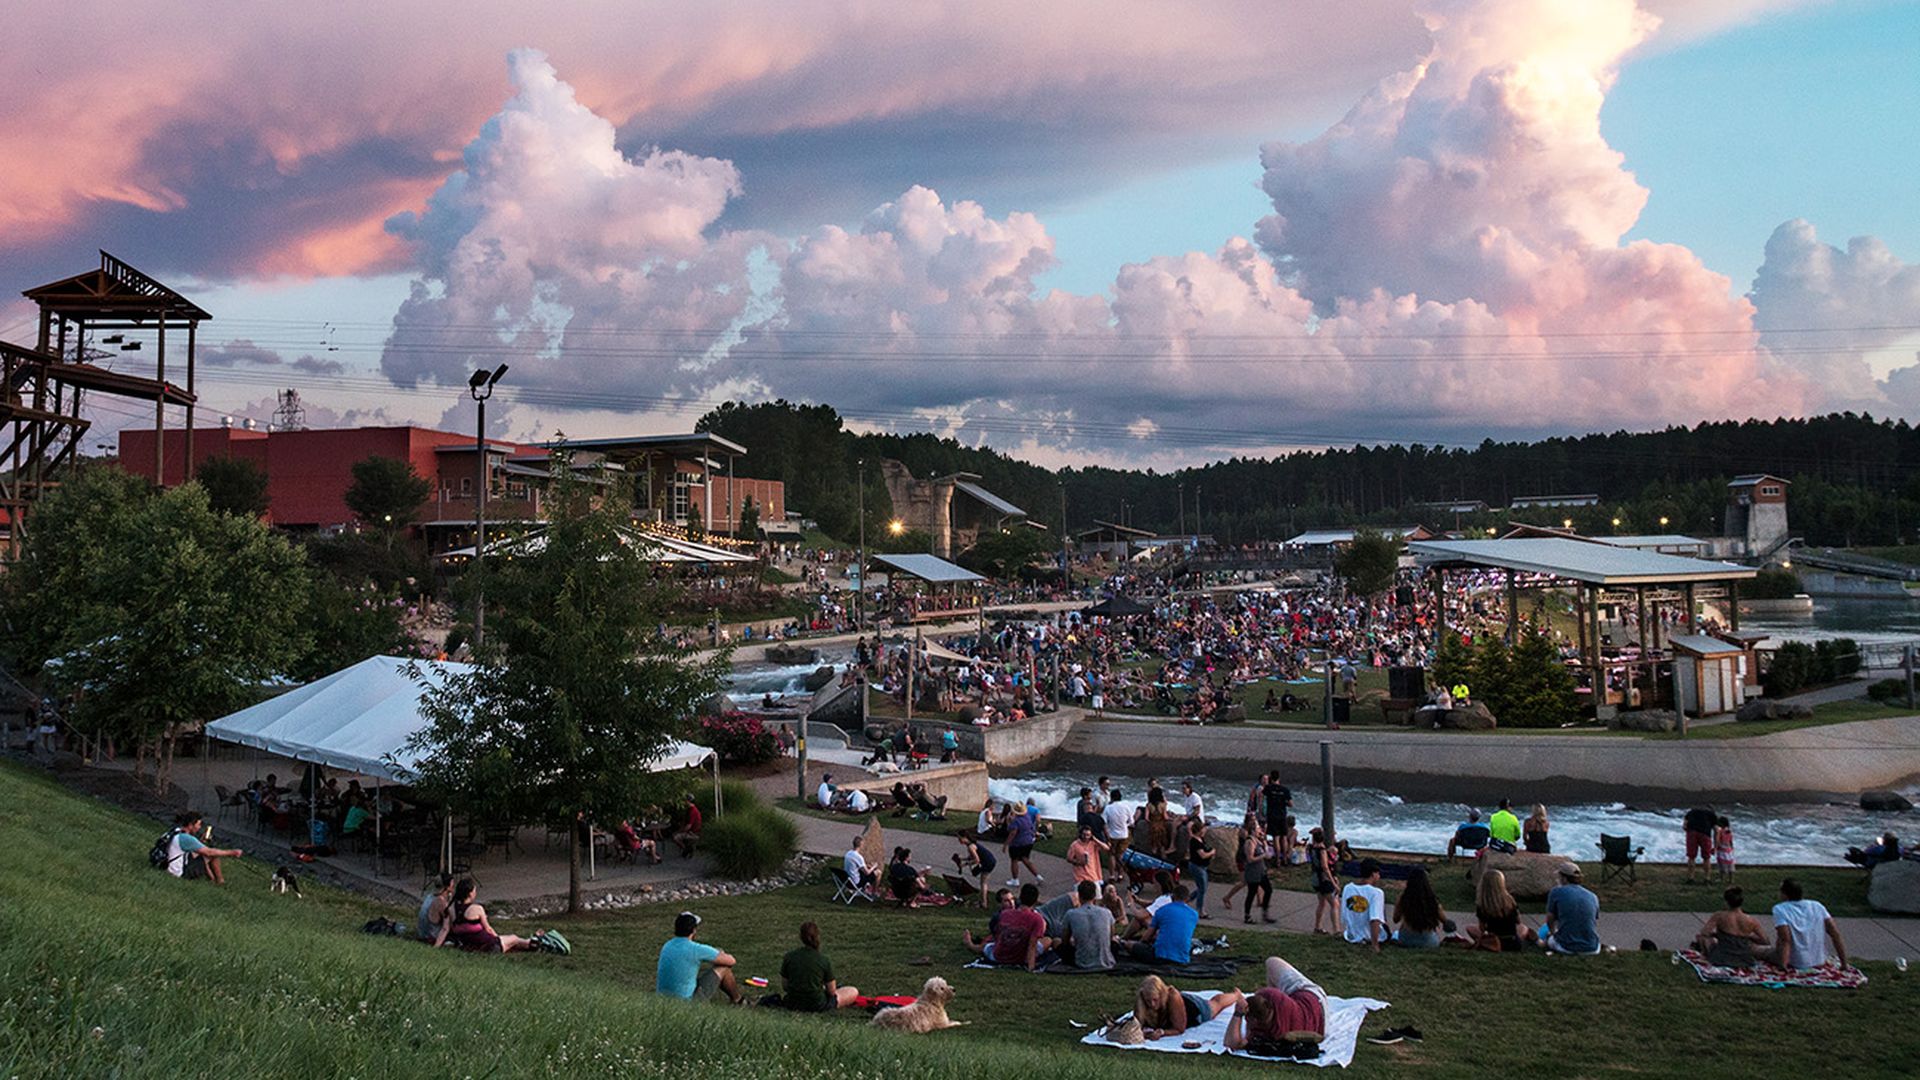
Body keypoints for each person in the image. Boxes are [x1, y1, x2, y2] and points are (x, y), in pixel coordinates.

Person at [1224, 957, 1327, 1053]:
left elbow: (1232, 1043)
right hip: (1314, 1001)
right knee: (1271, 962)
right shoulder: (1273, 996)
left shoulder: (1264, 1035)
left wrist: (1238, 1014)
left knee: (1272, 963)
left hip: (1320, 1019)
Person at [434, 879, 545, 954]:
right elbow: (488, 929)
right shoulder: (476, 909)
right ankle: (534, 942)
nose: (475, 893)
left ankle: (532, 940)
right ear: (470, 893)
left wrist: (436, 947)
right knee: (514, 938)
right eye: (474, 890)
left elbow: (445, 929)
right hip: (488, 945)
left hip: (468, 945)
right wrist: (498, 939)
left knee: (513, 940)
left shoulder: (451, 909)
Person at [1760, 878, 1848, 971]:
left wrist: (1783, 965)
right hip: (1819, 960)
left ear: (1784, 894)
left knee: (1757, 950)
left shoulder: (1780, 909)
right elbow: (1835, 934)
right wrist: (1844, 964)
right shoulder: (1817, 906)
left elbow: (1785, 939)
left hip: (1795, 960)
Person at [656, 911, 743, 1003]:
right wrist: (719, 953)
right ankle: (738, 1000)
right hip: (687, 1002)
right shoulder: (695, 949)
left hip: (663, 1000)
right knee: (723, 968)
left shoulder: (667, 945)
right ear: (693, 930)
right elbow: (731, 961)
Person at [962, 882, 1049, 970]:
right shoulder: (1037, 919)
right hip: (1020, 957)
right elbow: (1032, 945)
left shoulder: (1004, 914)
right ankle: (971, 945)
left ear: (1020, 898)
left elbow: (998, 937)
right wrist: (1031, 967)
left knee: (987, 946)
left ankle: (971, 945)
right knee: (1048, 940)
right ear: (1035, 901)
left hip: (999, 955)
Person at [1134, 974, 1242, 1042]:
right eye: (1148, 1001)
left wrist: (1162, 1033)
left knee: (1216, 1003)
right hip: (1178, 1004)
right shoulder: (1142, 999)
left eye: (1155, 1000)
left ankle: (1236, 995)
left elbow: (1179, 1029)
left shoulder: (1172, 997)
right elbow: (1136, 1024)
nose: (1152, 1004)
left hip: (1194, 1009)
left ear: (1161, 995)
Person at [781, 922, 860, 1011]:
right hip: (817, 1004)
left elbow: (785, 986)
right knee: (852, 991)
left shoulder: (789, 956)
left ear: (801, 937)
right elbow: (832, 991)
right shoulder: (823, 959)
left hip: (792, 1003)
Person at [1693, 886, 1769, 968]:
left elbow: (1704, 933)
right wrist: (1749, 937)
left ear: (1726, 902)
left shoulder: (1719, 916)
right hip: (1744, 958)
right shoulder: (1751, 921)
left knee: (1701, 938)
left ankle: (1704, 954)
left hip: (1721, 957)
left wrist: (1716, 935)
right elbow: (1765, 940)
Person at [1465, 869, 1536, 952]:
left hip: (1493, 940)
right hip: (1512, 941)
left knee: (1469, 928)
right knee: (1523, 928)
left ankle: (1487, 944)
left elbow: (1482, 928)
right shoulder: (1510, 901)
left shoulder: (1483, 904)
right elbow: (1518, 921)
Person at [1127, 884, 1200, 964]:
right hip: (1182, 958)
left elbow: (1146, 937)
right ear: (1187, 898)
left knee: (1129, 944)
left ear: (1173, 896)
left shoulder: (1162, 910)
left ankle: (1121, 940)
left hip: (1161, 956)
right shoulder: (1194, 915)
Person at [164, 813, 244, 884]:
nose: (199, 827)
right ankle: (220, 881)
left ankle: (212, 879)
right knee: (213, 855)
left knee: (202, 855)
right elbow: (209, 852)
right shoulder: (187, 838)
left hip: (166, 865)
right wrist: (232, 852)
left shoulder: (176, 831)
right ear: (191, 825)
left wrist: (200, 841)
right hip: (178, 872)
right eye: (198, 825)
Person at [1543, 865, 1601, 955]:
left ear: (1564, 878)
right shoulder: (1593, 896)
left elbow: (1550, 918)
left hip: (1566, 947)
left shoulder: (1556, 892)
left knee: (1547, 937)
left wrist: (1552, 933)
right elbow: (1593, 919)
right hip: (1593, 948)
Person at [1061, 880, 1115, 970]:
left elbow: (1064, 940)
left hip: (1082, 962)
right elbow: (1111, 936)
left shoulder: (1071, 914)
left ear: (1079, 896)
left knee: (1057, 942)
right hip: (1105, 961)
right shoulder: (1106, 912)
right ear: (1094, 896)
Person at [1390, 866, 1448, 948]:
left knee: (1396, 933)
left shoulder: (1403, 898)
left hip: (1406, 941)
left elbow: (1395, 919)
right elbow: (1445, 921)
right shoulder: (1432, 901)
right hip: (1429, 942)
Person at [1340, 859, 1387, 952]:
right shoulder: (1376, 893)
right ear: (1373, 874)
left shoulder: (1348, 888)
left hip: (1351, 935)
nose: (1379, 876)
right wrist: (1375, 945)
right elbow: (1375, 920)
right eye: (1378, 874)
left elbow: (1345, 914)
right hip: (1368, 936)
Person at [1241, 822, 1276, 925]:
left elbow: (1265, 852)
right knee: (1251, 893)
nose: (1260, 830)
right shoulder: (1250, 842)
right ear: (1252, 831)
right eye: (1258, 828)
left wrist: (1264, 842)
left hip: (1261, 871)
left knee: (1268, 890)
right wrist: (1263, 856)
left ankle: (1265, 914)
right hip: (1253, 872)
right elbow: (1250, 859)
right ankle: (1247, 916)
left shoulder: (1259, 841)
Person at [1004, 796, 1041, 887]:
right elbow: (1031, 827)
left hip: (1017, 844)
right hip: (1028, 842)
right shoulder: (1027, 818)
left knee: (1014, 860)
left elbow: (1012, 832)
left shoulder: (1016, 821)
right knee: (1025, 859)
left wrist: (1006, 844)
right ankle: (1037, 875)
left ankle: (1015, 879)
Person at [951, 832, 998, 905]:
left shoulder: (971, 847)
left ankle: (984, 903)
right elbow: (971, 857)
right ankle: (983, 901)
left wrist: (964, 864)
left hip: (987, 863)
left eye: (960, 838)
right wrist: (962, 859)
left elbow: (976, 860)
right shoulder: (971, 845)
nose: (959, 840)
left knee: (983, 883)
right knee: (983, 882)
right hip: (990, 861)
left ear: (965, 837)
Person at [1307, 826, 1336, 934]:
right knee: (1334, 904)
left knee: (1322, 903)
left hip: (1315, 878)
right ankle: (1336, 929)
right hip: (1323, 879)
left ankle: (1317, 927)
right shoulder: (1322, 851)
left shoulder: (1311, 848)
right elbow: (1325, 867)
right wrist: (1334, 882)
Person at [1185, 816, 1215, 917]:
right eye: (1203, 829)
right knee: (1202, 888)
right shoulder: (1195, 841)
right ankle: (1200, 910)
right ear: (1198, 831)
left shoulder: (1201, 839)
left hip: (1202, 867)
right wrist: (1211, 852)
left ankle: (1188, 899)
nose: (1204, 830)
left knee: (1202, 887)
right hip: (1197, 866)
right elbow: (1202, 855)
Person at [1102, 789, 1132, 882]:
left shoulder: (1108, 808)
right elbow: (1131, 821)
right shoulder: (1126, 807)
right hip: (1124, 834)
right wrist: (1125, 825)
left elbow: (1104, 821)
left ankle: (1111, 875)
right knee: (1120, 855)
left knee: (1111, 855)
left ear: (1112, 797)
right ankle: (1120, 875)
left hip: (1112, 835)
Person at [1067, 824, 1109, 890]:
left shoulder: (1093, 844)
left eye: (1088, 835)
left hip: (1093, 875)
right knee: (1081, 897)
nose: (1086, 837)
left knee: (1096, 896)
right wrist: (1079, 862)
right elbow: (1069, 858)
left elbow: (1106, 848)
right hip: (1080, 876)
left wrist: (1095, 839)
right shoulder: (1075, 845)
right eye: (1084, 835)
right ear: (1080, 834)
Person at [1684, 804, 1718, 882]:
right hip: (1705, 834)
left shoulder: (1691, 812)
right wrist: (1715, 847)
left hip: (1692, 832)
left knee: (1691, 857)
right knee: (1706, 857)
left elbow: (1685, 826)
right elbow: (1716, 830)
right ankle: (1707, 878)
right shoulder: (1712, 815)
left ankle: (1691, 878)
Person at [417, 873, 455, 940]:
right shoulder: (440, 901)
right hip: (431, 935)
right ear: (448, 886)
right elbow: (449, 924)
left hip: (422, 932)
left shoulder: (429, 897)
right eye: (452, 883)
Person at [1714, 816, 1736, 882]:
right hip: (1729, 850)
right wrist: (1732, 848)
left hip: (1722, 850)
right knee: (1730, 865)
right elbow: (1731, 841)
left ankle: (1722, 879)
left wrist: (1715, 848)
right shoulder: (1729, 831)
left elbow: (1718, 840)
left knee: (1722, 865)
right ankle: (1731, 879)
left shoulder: (1720, 831)